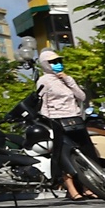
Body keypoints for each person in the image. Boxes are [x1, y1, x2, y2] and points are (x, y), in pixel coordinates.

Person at [35, 49, 89, 200]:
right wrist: (49, 122)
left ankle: (88, 186)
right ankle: (72, 189)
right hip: (58, 121)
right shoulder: (43, 81)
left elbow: (81, 96)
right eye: (53, 62)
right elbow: (42, 104)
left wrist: (67, 80)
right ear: (45, 64)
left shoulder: (67, 79)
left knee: (84, 155)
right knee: (65, 156)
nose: (57, 64)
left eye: (59, 61)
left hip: (75, 119)